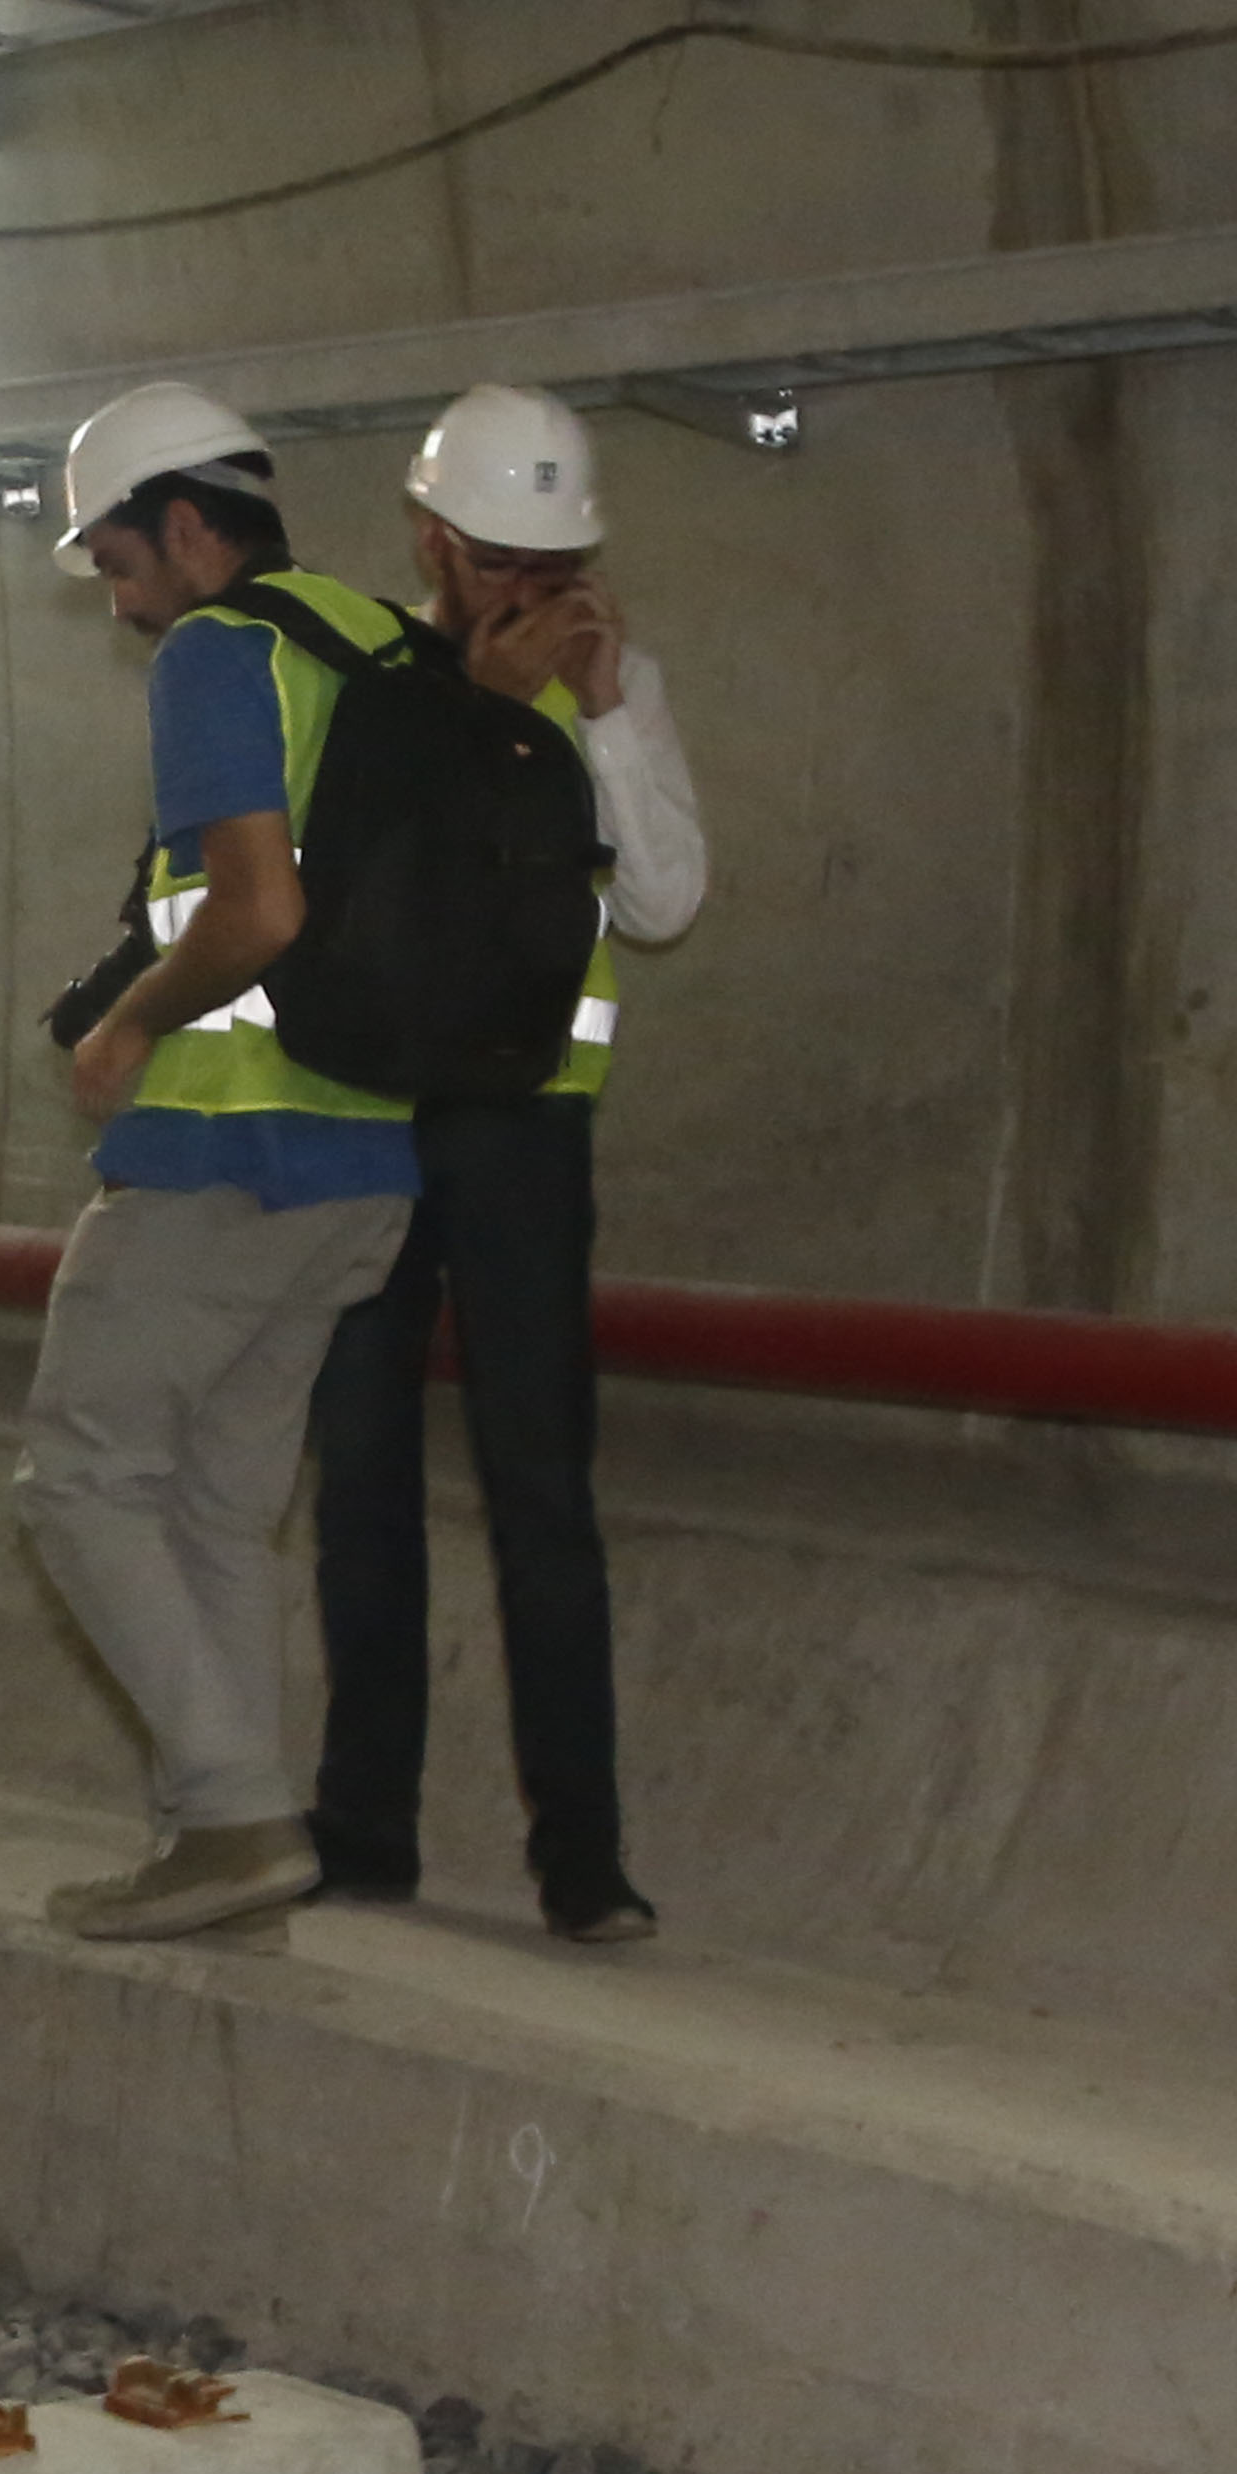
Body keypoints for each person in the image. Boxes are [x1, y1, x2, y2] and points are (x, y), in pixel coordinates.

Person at [21, 383, 432, 1944]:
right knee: (216, 1507)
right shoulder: (385, 640)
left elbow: (255, 912)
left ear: (191, 528)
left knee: (77, 1476)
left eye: (121, 562)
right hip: (368, 1162)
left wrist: (126, 1024)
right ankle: (238, 1847)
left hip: (223, 1147)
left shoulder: (223, 648)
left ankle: (234, 1805)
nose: (122, 606)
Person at [309, 384, 715, 1948]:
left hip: (529, 1138)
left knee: (543, 1490)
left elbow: (669, 901)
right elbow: (369, 886)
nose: (530, 594)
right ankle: (364, 1829)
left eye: (555, 565)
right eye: (496, 561)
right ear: (431, 542)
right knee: (364, 1480)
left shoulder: (611, 693)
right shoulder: (385, 691)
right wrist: (479, 704)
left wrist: (606, 710)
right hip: (383, 1121)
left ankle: (583, 1860)